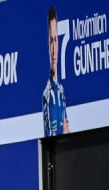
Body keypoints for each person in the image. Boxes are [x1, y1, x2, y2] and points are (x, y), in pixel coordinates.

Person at [43, 6, 70, 137]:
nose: (54, 48)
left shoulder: (62, 91)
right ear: (48, 47)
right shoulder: (47, 95)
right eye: (51, 41)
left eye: (56, 40)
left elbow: (67, 129)